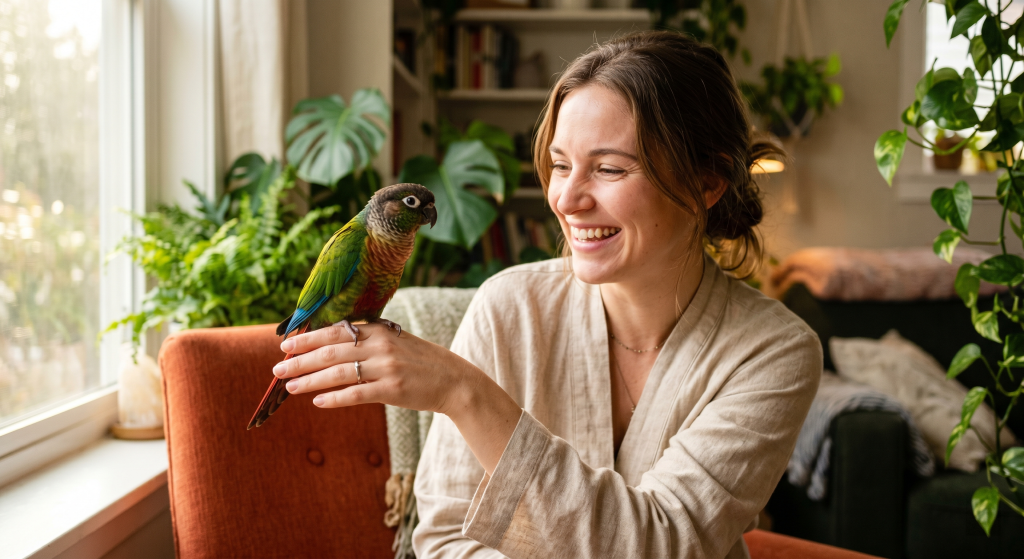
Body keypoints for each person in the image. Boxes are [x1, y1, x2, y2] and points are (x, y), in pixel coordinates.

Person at [271, 31, 822, 558]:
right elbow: (444, 541)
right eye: (560, 165)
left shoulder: (774, 351)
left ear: (707, 183)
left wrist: (467, 395)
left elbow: (663, 546)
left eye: (609, 168)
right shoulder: (506, 306)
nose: (566, 199)